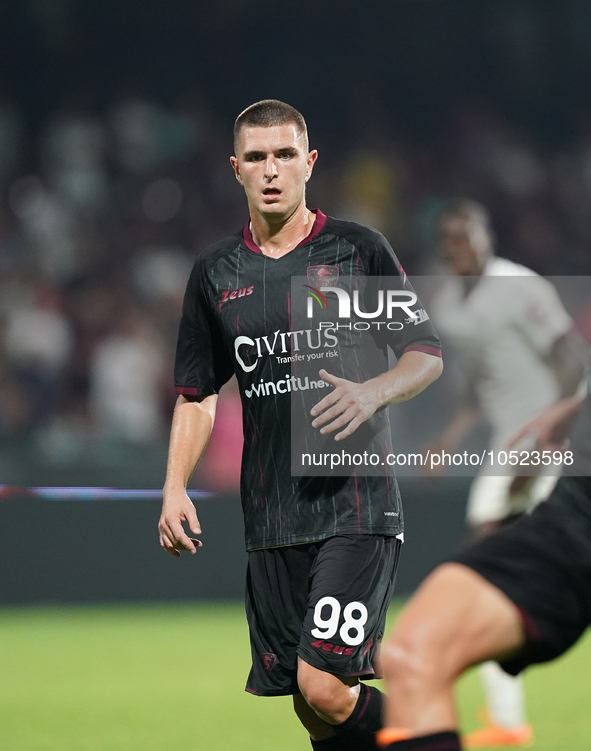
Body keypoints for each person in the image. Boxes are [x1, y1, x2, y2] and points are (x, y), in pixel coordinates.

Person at [158, 99, 443, 751]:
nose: (271, 169)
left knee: (322, 685)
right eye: (255, 158)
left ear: (309, 162)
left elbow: (423, 354)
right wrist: (173, 485)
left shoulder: (356, 248)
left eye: (284, 154)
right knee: (311, 708)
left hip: (354, 506)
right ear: (235, 170)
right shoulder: (214, 274)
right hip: (271, 522)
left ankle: (432, 729)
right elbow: (196, 393)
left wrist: (374, 392)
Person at [424, 198, 586, 747]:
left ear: (487, 237)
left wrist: (548, 438)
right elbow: (476, 383)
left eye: (470, 237)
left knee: (491, 564)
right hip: (505, 443)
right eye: (452, 241)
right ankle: (508, 720)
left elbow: (574, 363)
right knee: (488, 566)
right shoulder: (450, 305)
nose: (462, 248)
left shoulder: (522, 288)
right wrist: (448, 438)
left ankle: (508, 713)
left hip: (552, 442)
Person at [376, 384, 591, 751]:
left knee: (415, 657)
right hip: (567, 514)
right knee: (410, 657)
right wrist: (572, 408)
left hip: (575, 522)